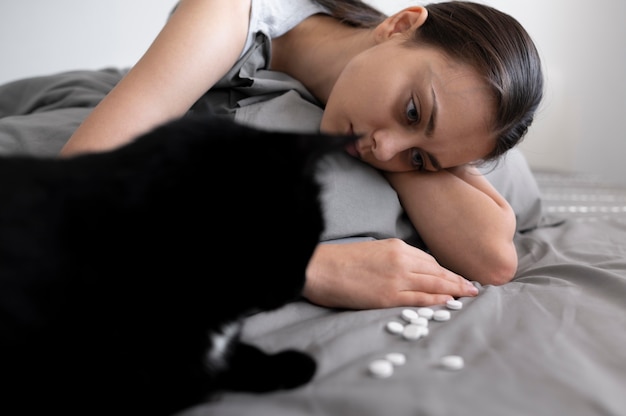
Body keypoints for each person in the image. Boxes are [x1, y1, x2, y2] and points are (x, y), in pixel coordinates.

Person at [49, 0, 545, 309]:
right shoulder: (228, 15)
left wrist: (417, 153)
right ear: (399, 25)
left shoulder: (394, 119)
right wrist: (312, 268)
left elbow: (494, 261)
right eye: (413, 110)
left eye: (420, 159)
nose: (385, 149)